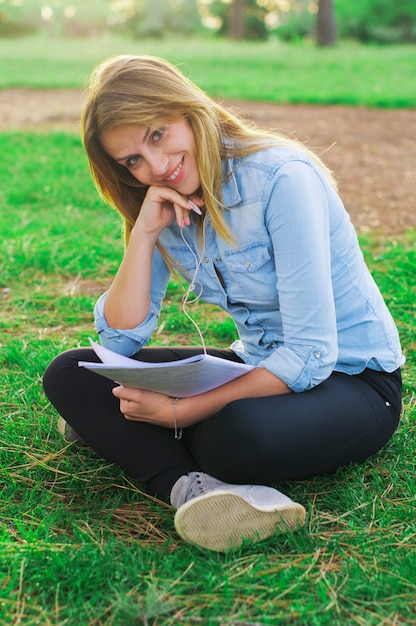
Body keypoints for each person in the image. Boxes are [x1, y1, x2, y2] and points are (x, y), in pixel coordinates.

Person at [43, 55, 405, 552]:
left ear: (187, 110)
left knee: (231, 435)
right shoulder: (160, 199)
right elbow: (119, 340)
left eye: (157, 135)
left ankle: (131, 435)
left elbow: (309, 354)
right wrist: (145, 233)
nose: (156, 166)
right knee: (72, 372)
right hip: (255, 366)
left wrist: (182, 412)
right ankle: (192, 488)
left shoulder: (282, 178)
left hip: (353, 380)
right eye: (132, 161)